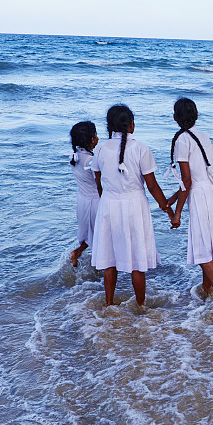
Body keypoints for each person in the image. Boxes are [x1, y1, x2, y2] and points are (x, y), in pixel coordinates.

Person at [91, 105, 172, 308]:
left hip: (109, 205)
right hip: (135, 207)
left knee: (109, 261)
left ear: (109, 126)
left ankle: (109, 304)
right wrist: (168, 209)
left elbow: (99, 182)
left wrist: (106, 201)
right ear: (131, 125)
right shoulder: (141, 149)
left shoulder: (100, 149)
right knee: (137, 262)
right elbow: (152, 186)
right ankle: (140, 306)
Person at [166, 98, 213, 318]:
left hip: (200, 197)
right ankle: (207, 291)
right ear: (196, 116)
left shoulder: (182, 140)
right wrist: (174, 198)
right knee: (207, 249)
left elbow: (187, 180)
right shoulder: (203, 136)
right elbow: (197, 176)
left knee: (202, 255)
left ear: (175, 118)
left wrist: (177, 212)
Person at [68, 121, 100, 267]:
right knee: (101, 234)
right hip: (95, 202)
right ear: (92, 139)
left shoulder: (75, 157)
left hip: (82, 201)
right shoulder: (91, 161)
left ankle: (78, 252)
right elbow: (100, 184)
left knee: (90, 232)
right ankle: (101, 266)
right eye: (96, 134)